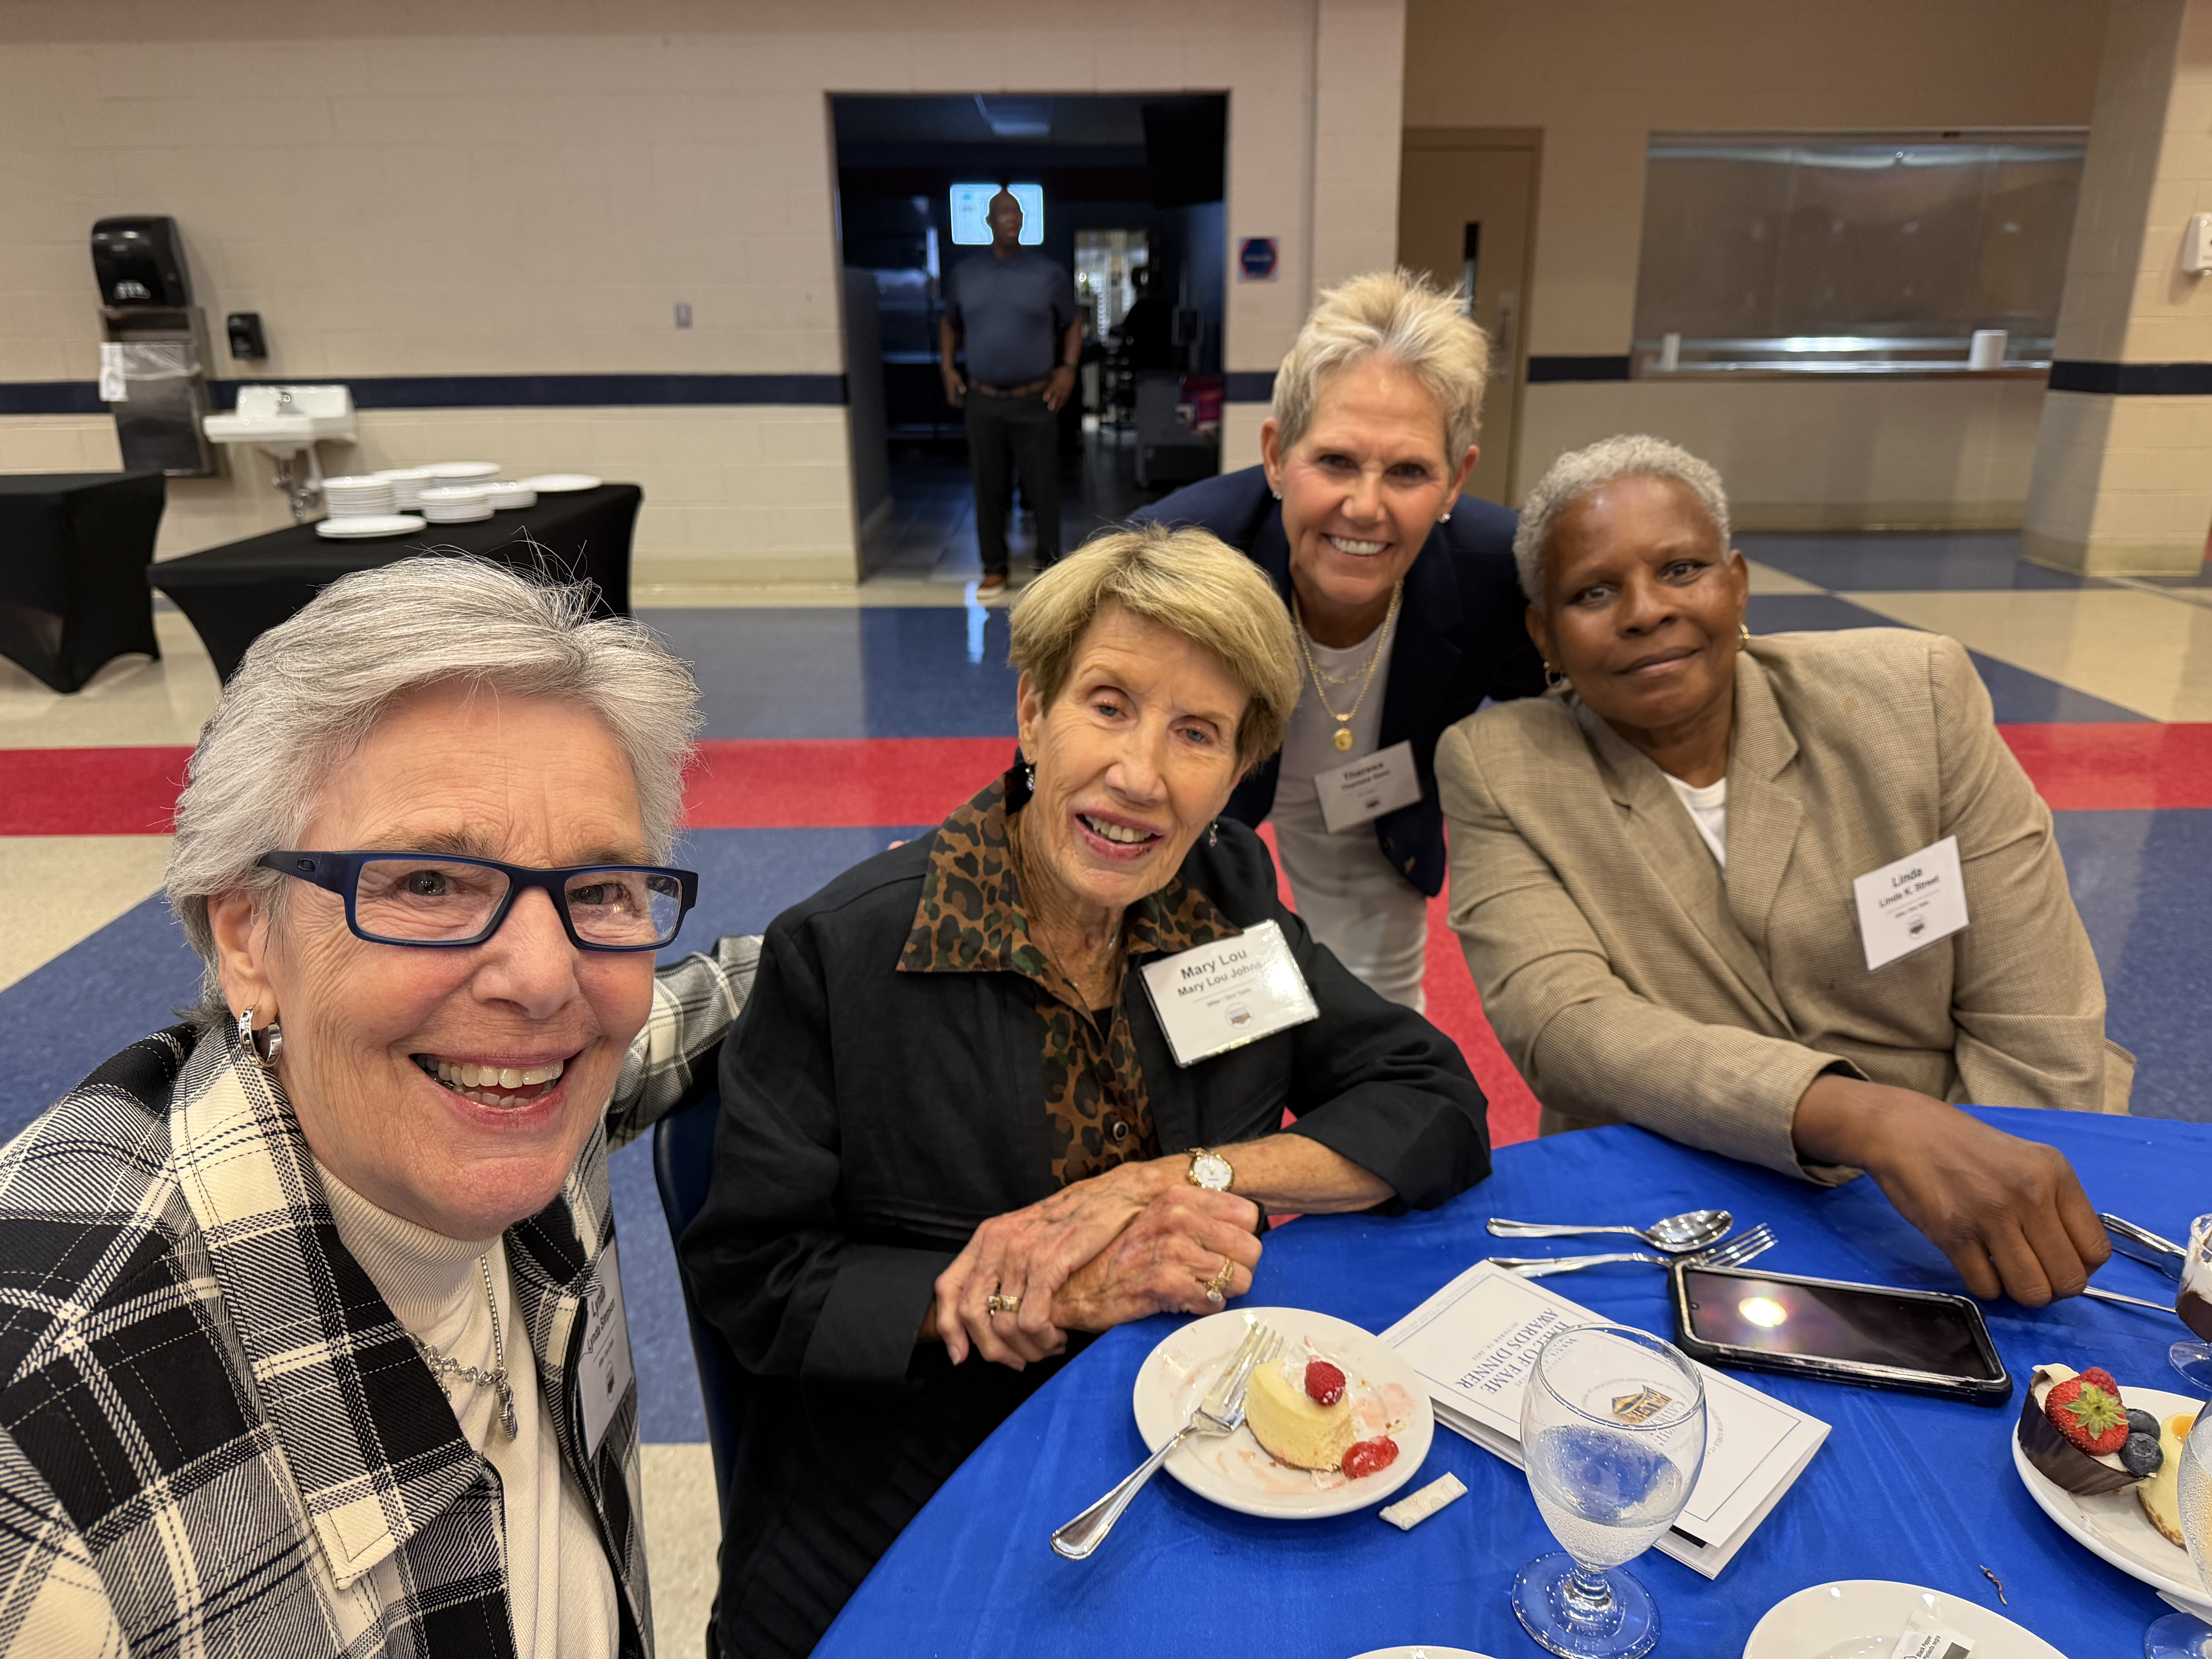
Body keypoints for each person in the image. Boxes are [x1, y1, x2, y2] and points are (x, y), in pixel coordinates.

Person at [682, 523, 1491, 1658]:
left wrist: (1178, 1178)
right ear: (1032, 713)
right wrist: (1041, 1296)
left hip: (1205, 1441)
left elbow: (1432, 1099)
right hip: (929, 1481)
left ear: (1239, 770)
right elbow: (756, 1280)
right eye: (1108, 705)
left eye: (1197, 733)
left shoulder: (1222, 894)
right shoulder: (848, 954)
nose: (1140, 776)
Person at [0, 558, 754, 1656]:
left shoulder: (526, 1095)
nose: (546, 979)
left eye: (597, 890)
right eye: (429, 884)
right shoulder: (44, 1472)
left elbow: (672, 1020)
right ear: (246, 936)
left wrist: (886, 914)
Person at [1438, 434, 2131, 1307]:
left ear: (1737, 583)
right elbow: (1565, 1024)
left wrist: (1989, 1181)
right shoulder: (1502, 765)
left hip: (1975, 1174)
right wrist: (1866, 1119)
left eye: (1681, 569)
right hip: (1688, 1198)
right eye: (1594, 592)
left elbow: (2037, 1011)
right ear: (1545, 633)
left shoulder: (1910, 697)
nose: (1646, 611)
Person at [1134, 268, 1544, 1012]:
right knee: (1188, 1014)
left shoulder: (1499, 572)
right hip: (1200, 801)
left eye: (1409, 472)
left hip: (1370, 805)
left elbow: (1574, 709)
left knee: (1378, 1014)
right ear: (1275, 455)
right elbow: (1077, 727)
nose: (1365, 506)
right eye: (1334, 462)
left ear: (1456, 480)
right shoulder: (1176, 554)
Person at [940, 188, 1082, 596]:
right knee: (988, 488)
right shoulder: (966, 274)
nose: (1011, 218)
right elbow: (949, 321)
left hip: (1036, 400)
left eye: (1017, 212)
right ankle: (994, 569)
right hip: (983, 399)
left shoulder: (1048, 274)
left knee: (1043, 489)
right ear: (989, 221)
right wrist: (947, 366)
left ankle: (1050, 569)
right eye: (1003, 212)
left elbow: (1074, 322)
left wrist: (1068, 370)